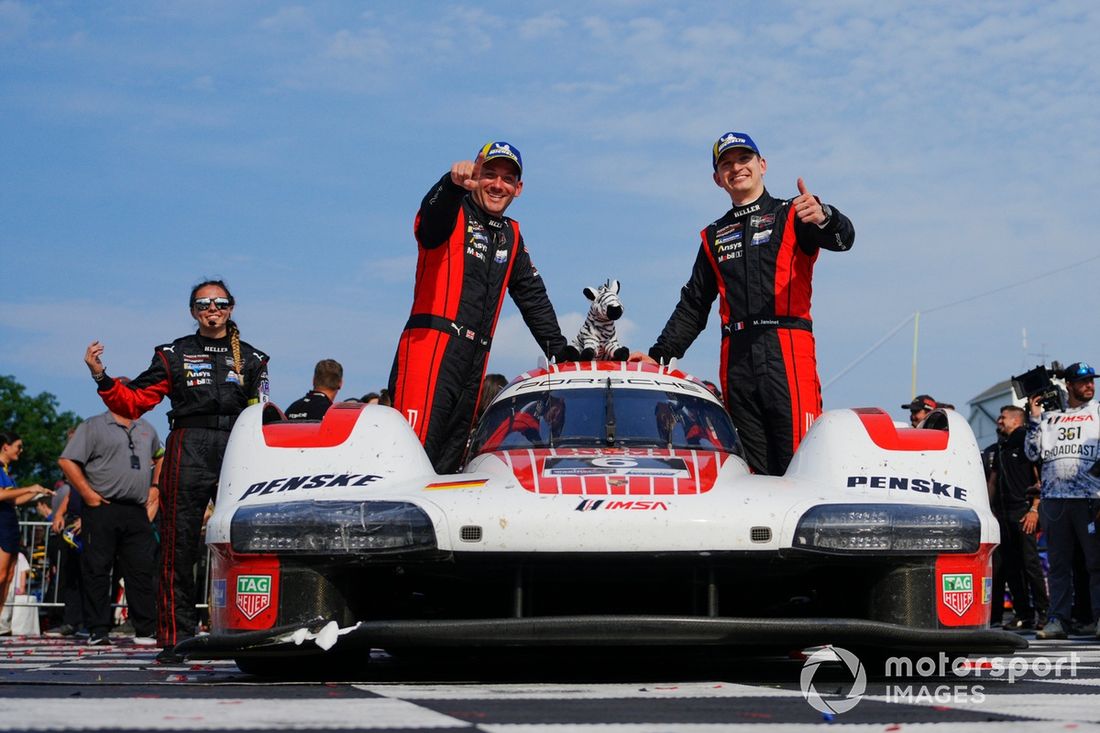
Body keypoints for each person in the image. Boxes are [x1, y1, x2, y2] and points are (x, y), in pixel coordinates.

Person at [636, 131, 855, 475]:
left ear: (762, 165)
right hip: (736, 356)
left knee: (801, 462)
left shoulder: (794, 213)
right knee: (749, 470)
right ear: (717, 178)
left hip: (787, 347)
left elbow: (843, 240)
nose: (736, 167)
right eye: (726, 164)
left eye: (744, 159)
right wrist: (659, 355)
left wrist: (827, 216)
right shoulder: (714, 235)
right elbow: (694, 303)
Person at [83, 279, 269, 662]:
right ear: (193, 311)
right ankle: (175, 637)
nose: (212, 308)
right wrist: (101, 376)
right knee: (177, 545)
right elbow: (133, 401)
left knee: (250, 537)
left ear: (231, 308)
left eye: (220, 302)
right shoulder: (174, 354)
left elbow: (262, 413)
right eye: (204, 303)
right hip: (188, 444)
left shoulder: (253, 358)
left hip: (238, 447)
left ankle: (254, 627)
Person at [389, 141, 574, 473]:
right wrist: (450, 184)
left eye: (507, 179)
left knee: (449, 465)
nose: (497, 185)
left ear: (518, 189)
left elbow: (533, 297)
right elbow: (429, 220)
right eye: (490, 175)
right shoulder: (452, 209)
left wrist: (562, 355)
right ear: (476, 175)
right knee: (411, 459)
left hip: (475, 359)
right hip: (431, 348)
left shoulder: (511, 235)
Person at [58, 397, 162, 646]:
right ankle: (97, 629)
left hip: (136, 508)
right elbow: (66, 460)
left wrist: (156, 486)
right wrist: (87, 493)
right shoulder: (93, 425)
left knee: (141, 569)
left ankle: (146, 629)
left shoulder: (146, 428)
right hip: (102, 506)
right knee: (97, 569)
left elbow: (161, 456)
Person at [1025, 362, 1100, 640]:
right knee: (1058, 565)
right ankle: (1058, 620)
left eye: (1091, 380)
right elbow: (1032, 453)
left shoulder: (1098, 411)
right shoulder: (1050, 416)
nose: (1089, 385)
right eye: (1083, 381)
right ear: (1068, 385)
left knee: (1096, 563)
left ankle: (1098, 618)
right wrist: (1034, 418)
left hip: (1090, 498)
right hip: (1055, 499)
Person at [987, 405, 1047, 630]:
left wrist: (1034, 509)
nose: (999, 421)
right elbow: (993, 481)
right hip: (1003, 514)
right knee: (1011, 566)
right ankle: (1024, 614)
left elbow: (1040, 478)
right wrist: (988, 509)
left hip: (1023, 512)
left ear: (1016, 420)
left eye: (1003, 417)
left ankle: (1045, 613)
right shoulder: (1001, 446)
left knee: (1030, 564)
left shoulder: (1026, 442)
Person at [0, 431, 50, 627]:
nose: (21, 450)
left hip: (10, 523)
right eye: (18, 446)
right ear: (5, 447)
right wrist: (30, 488)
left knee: (8, 575)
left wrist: (38, 493)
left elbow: (14, 499)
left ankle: (1, 620)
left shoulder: (6, 471)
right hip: (2, 524)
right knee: (1, 574)